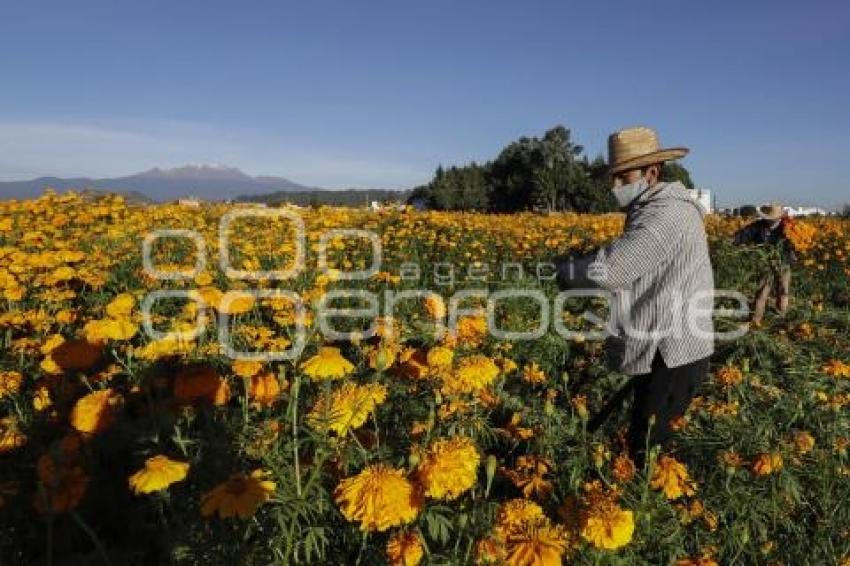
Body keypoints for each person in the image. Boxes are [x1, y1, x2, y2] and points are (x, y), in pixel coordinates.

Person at [554, 126, 715, 469]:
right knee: (644, 437)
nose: (615, 187)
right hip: (664, 341)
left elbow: (611, 271)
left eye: (622, 177)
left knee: (647, 449)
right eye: (613, 178)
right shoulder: (655, 207)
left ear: (652, 172)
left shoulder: (666, 213)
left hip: (674, 350)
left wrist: (566, 272)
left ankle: (647, 510)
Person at [732, 203, 796, 325]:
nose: (770, 221)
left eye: (773, 218)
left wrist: (791, 252)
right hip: (765, 264)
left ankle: (781, 317)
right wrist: (734, 241)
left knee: (782, 291)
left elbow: (795, 244)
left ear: (779, 218)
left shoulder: (787, 226)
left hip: (783, 264)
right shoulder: (758, 226)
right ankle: (756, 320)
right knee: (761, 292)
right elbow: (743, 235)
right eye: (768, 218)